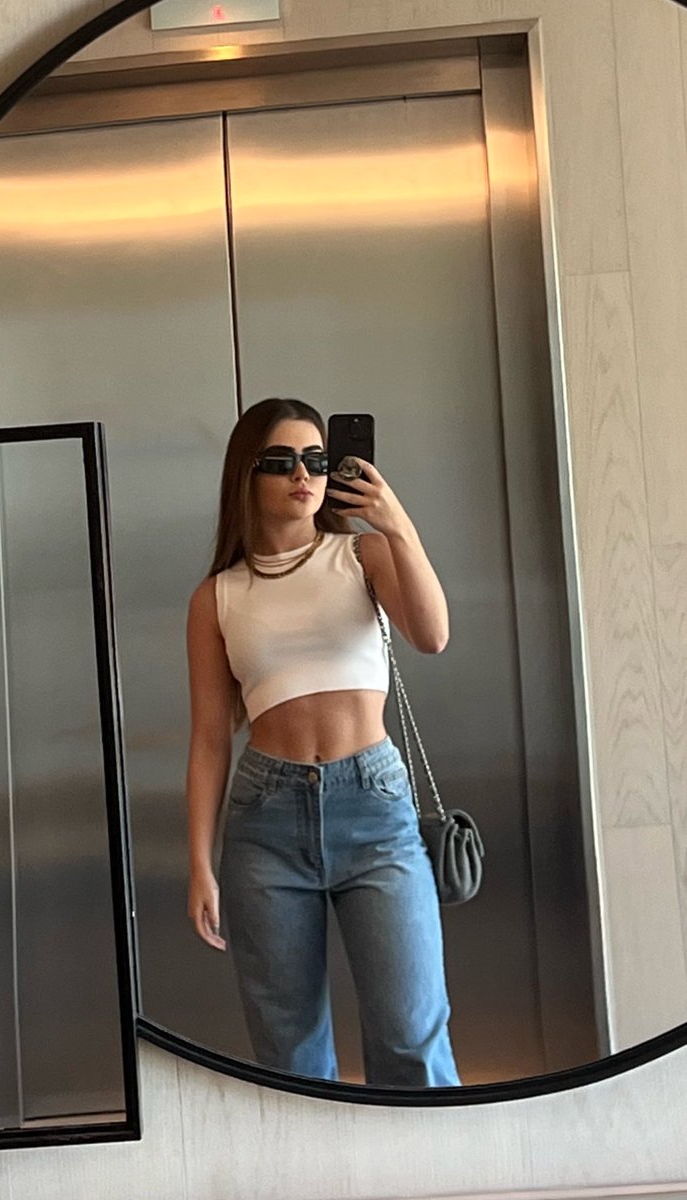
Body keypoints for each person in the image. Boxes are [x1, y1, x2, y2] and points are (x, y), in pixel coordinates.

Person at [185, 396, 460, 1087]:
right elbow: (210, 739)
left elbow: (432, 635)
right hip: (265, 823)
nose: (303, 475)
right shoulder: (217, 597)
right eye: (280, 461)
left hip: (373, 807)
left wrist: (394, 521)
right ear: (246, 475)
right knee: (290, 1056)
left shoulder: (362, 554)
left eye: (316, 459)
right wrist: (199, 864)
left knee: (412, 1035)